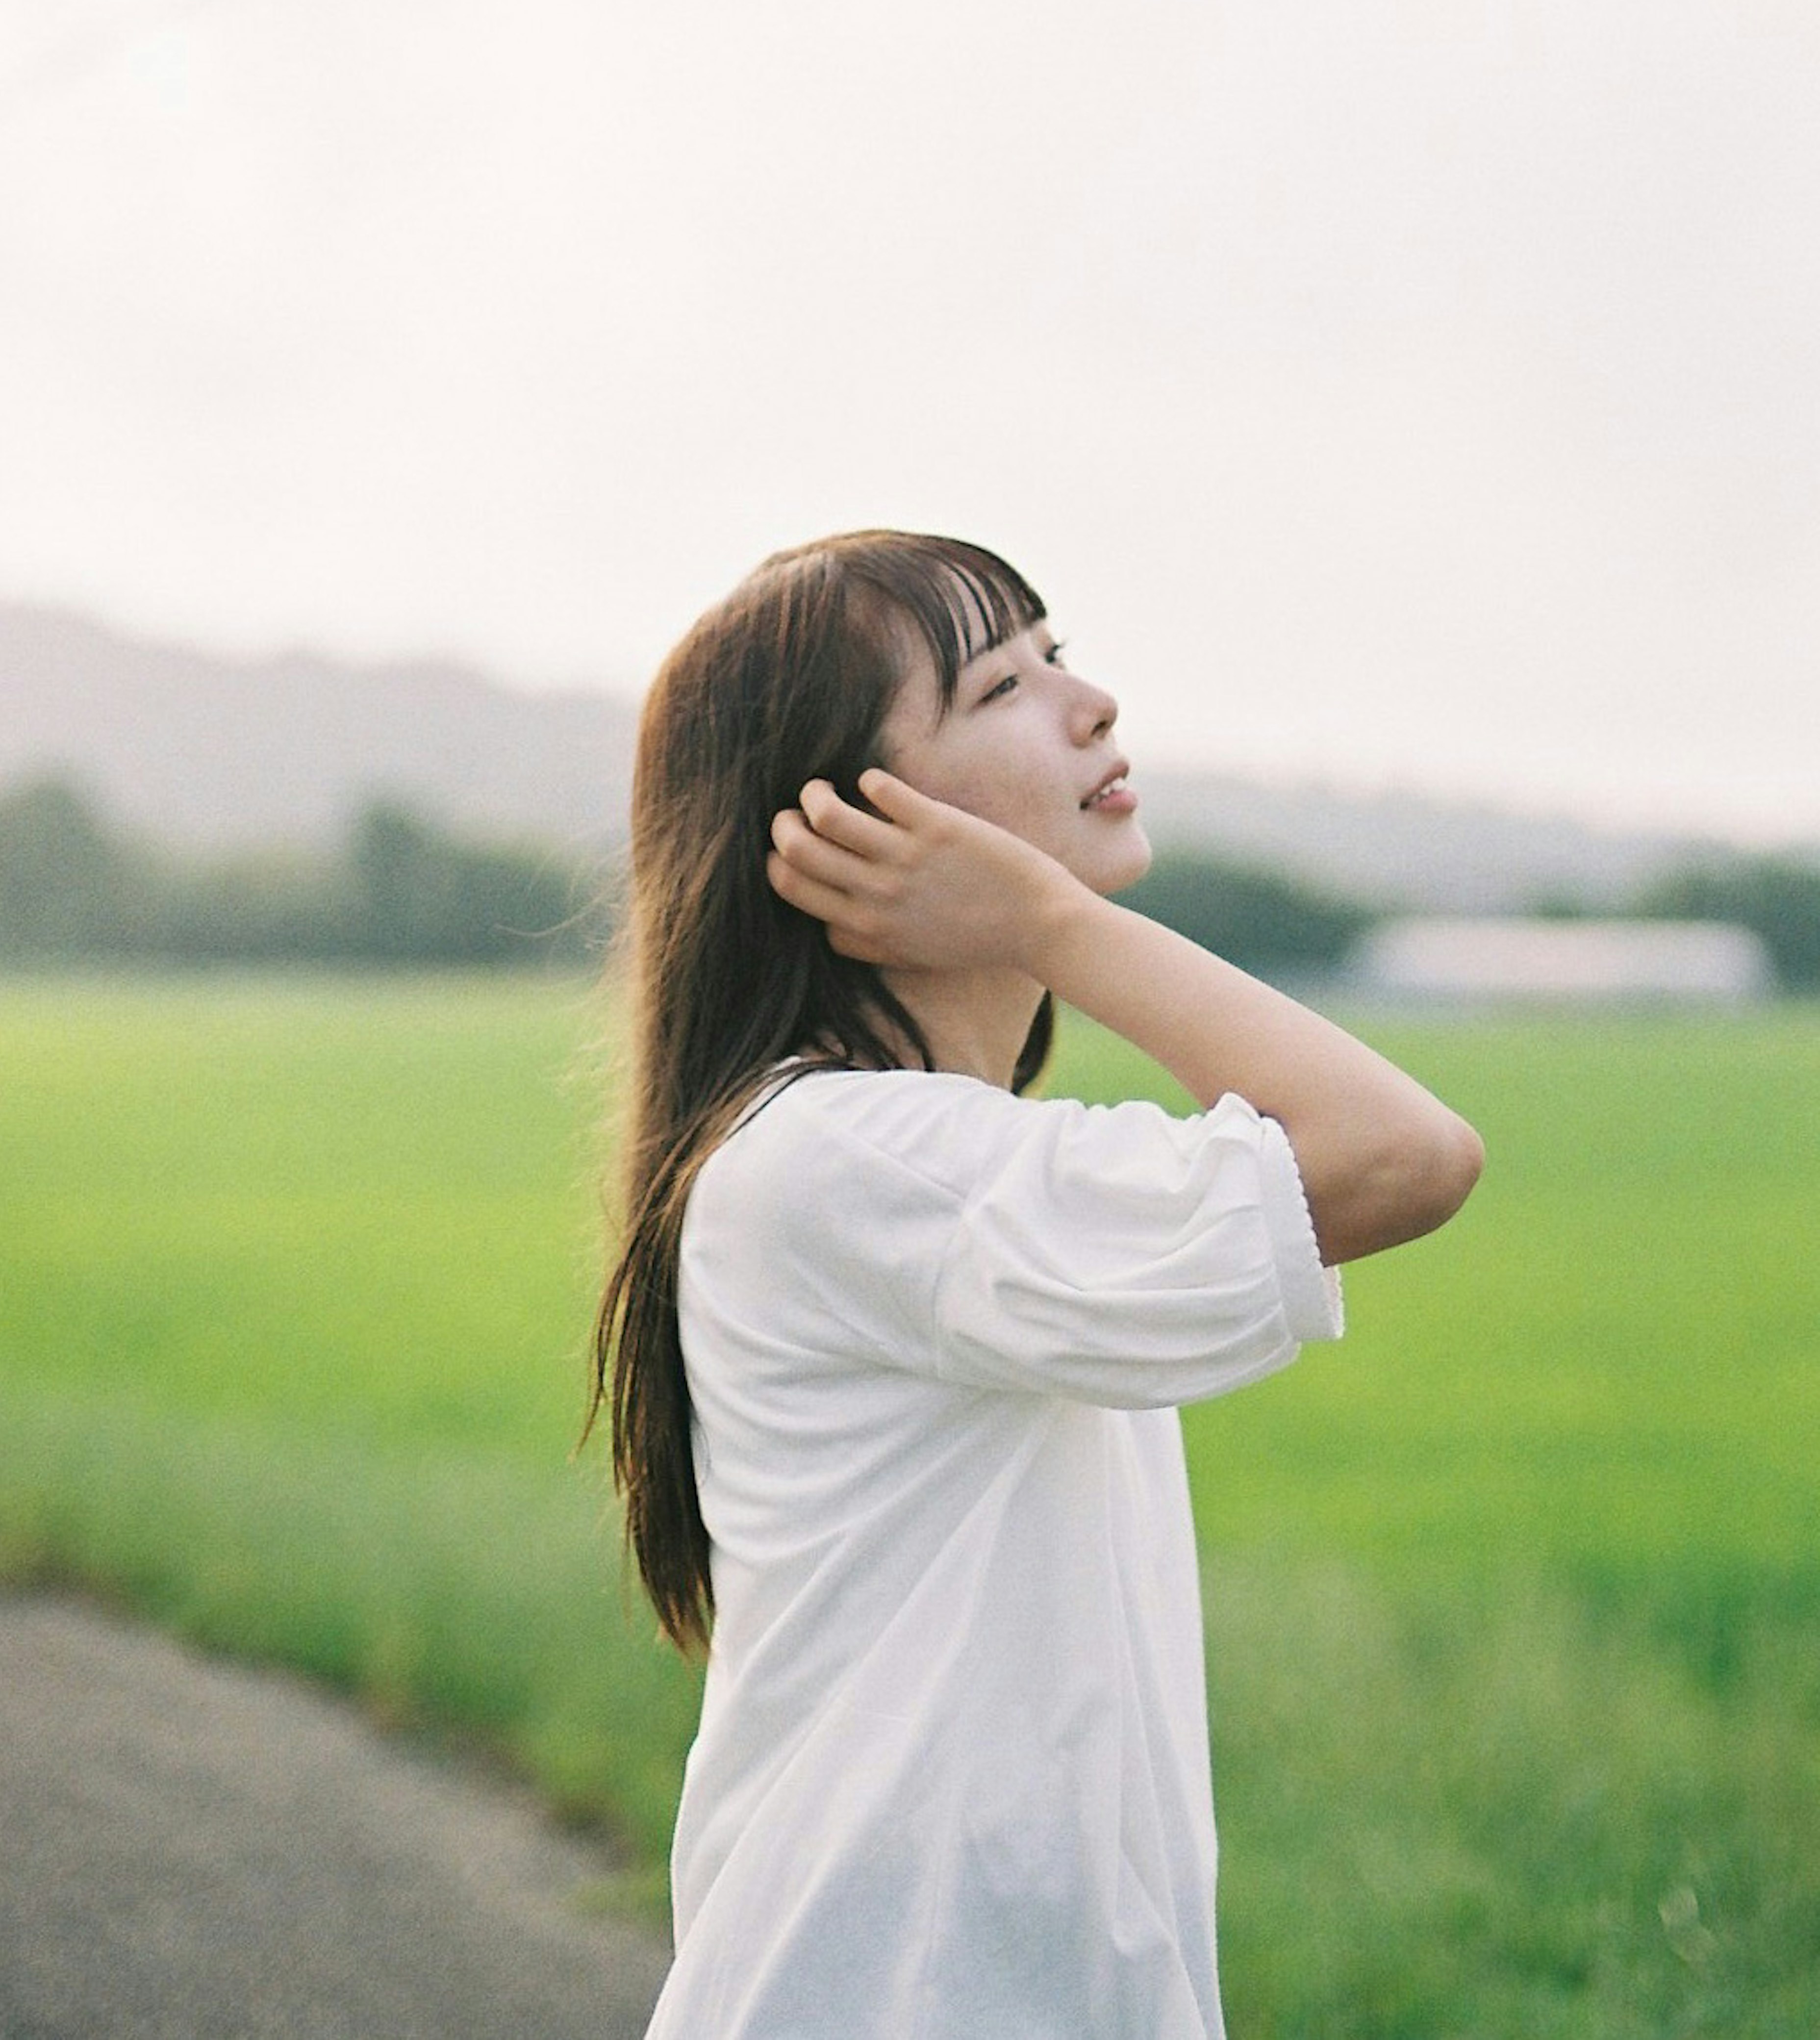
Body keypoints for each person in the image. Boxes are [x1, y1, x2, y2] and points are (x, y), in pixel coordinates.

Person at [592, 529, 1482, 2040]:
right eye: (1002, 683)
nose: (1092, 706)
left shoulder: (935, 1163)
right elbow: (1402, 1154)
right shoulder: (854, 1163)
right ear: (845, 821)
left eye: (1059, 655)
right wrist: (1054, 923)